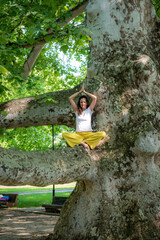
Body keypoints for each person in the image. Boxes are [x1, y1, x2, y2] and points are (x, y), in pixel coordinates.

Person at [62, 83, 107, 150]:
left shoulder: (89, 110)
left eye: (84, 102)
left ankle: (84, 142)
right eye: (81, 102)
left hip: (89, 134)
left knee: (103, 134)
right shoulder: (77, 110)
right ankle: (83, 143)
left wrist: (85, 92)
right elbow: (70, 98)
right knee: (64, 134)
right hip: (79, 135)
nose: (83, 103)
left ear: (86, 103)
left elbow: (95, 98)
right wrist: (79, 92)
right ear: (79, 103)